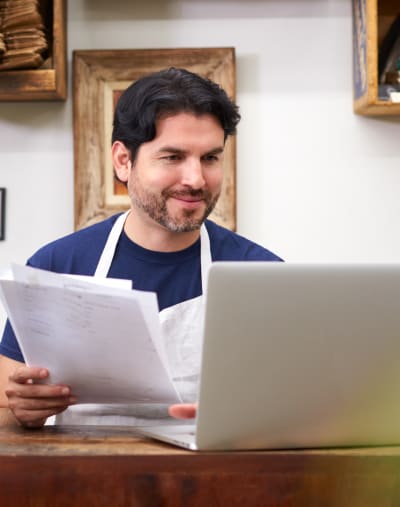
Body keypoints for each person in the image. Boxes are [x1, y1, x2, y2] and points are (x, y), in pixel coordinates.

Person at [0, 67, 282, 429]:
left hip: (214, 479)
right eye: (172, 157)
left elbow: (291, 410)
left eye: (210, 158)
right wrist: (23, 408)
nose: (196, 179)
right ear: (123, 161)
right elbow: (7, 403)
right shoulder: (56, 265)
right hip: (82, 478)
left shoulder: (263, 275)